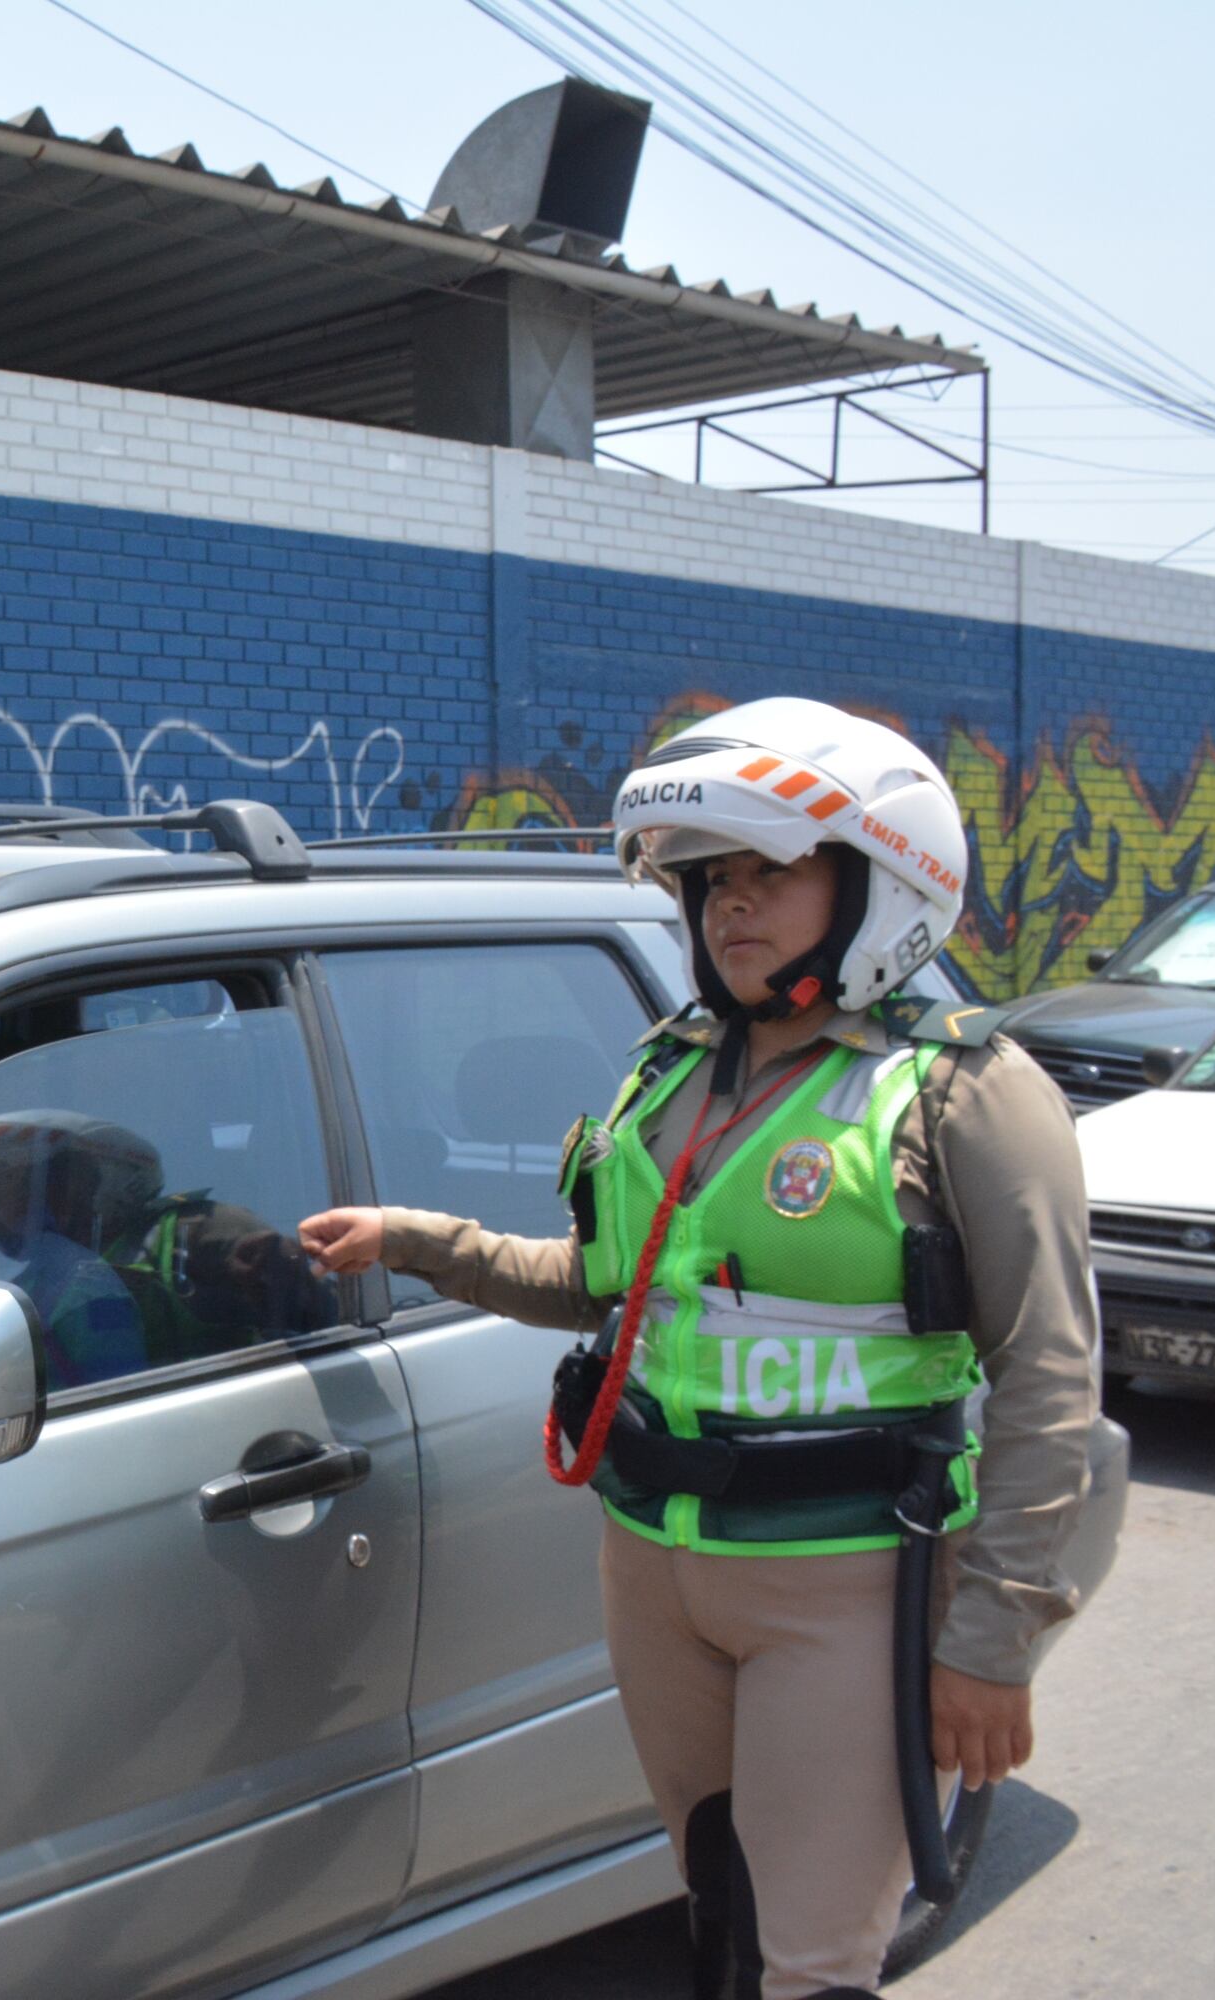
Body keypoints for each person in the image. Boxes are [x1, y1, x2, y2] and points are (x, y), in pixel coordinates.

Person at [298, 698, 1095, 2000]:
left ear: (882, 883)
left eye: (772, 870)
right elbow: (606, 1286)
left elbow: (1052, 1381)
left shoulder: (964, 1090)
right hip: (653, 1568)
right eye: (712, 878)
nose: (732, 903)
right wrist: (419, 1240)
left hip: (846, 1581)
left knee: (814, 1959)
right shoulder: (673, 1075)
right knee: (721, 1913)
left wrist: (993, 1642)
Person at [0, 1108, 160, 1386]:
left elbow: (111, 1396)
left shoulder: (86, 1289)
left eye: (0, 1188)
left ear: (68, 1188)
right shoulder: (29, 1283)